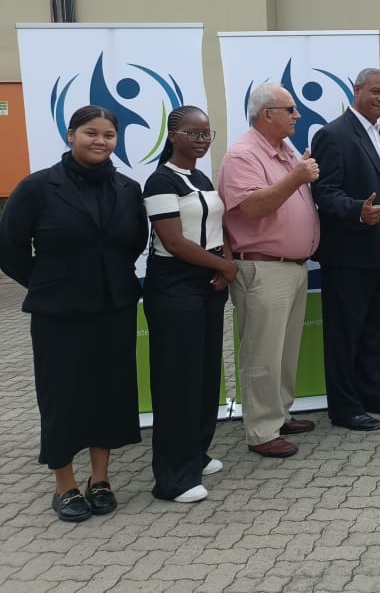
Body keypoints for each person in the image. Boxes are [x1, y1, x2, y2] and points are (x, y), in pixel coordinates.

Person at [0, 105, 148, 523]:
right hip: (58, 312)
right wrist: (46, 282)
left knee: (109, 392)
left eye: (108, 135)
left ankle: (99, 479)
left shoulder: (127, 187)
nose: (100, 141)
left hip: (113, 308)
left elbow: (134, 240)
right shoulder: (37, 187)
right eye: (90, 133)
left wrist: (108, 276)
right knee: (62, 395)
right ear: (70, 135)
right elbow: (9, 247)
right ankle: (64, 484)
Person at [310, 69, 380, 431]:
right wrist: (357, 210)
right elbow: (324, 193)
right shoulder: (333, 134)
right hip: (348, 254)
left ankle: (375, 394)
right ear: (356, 90)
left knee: (375, 331)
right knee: (345, 334)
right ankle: (345, 408)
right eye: (375, 91)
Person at [219, 83, 320, 459]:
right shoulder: (243, 155)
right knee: (262, 353)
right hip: (262, 268)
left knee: (285, 350)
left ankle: (279, 412)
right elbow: (251, 209)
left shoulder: (284, 150)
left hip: (293, 267)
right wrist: (297, 178)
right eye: (290, 109)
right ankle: (261, 430)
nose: (297, 115)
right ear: (267, 114)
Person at [142, 106, 235, 504]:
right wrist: (225, 267)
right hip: (175, 285)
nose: (201, 141)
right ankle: (172, 478)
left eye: (206, 135)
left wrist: (223, 263)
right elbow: (175, 242)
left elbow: (218, 226)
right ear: (173, 134)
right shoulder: (160, 180)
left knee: (204, 373)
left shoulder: (198, 176)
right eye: (193, 134)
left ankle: (196, 452)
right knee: (177, 380)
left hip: (209, 280)